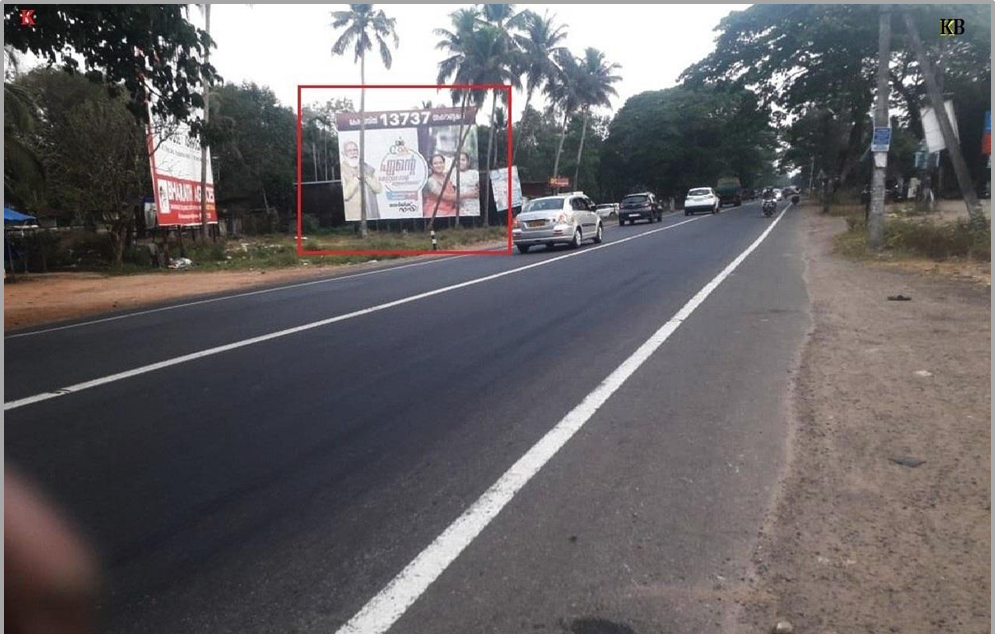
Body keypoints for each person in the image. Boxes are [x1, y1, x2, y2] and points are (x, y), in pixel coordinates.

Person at [340, 141, 383, 222]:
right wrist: (357, 178)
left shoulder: (367, 167)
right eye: (349, 151)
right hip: (354, 217)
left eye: (355, 150)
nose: (353, 153)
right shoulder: (342, 170)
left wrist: (366, 177)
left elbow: (378, 189)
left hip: (371, 214)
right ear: (343, 153)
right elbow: (344, 195)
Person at [422, 153, 459, 218]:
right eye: (435, 163)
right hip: (435, 210)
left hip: (449, 208)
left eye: (441, 163)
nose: (439, 165)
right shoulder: (431, 180)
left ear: (444, 164)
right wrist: (468, 194)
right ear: (431, 166)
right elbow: (447, 197)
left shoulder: (447, 176)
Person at [456, 151, 480, 218]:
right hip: (460, 205)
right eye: (458, 160)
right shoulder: (453, 174)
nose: (460, 162)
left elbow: (480, 187)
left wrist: (477, 192)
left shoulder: (474, 173)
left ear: (468, 162)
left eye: (463, 160)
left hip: (473, 203)